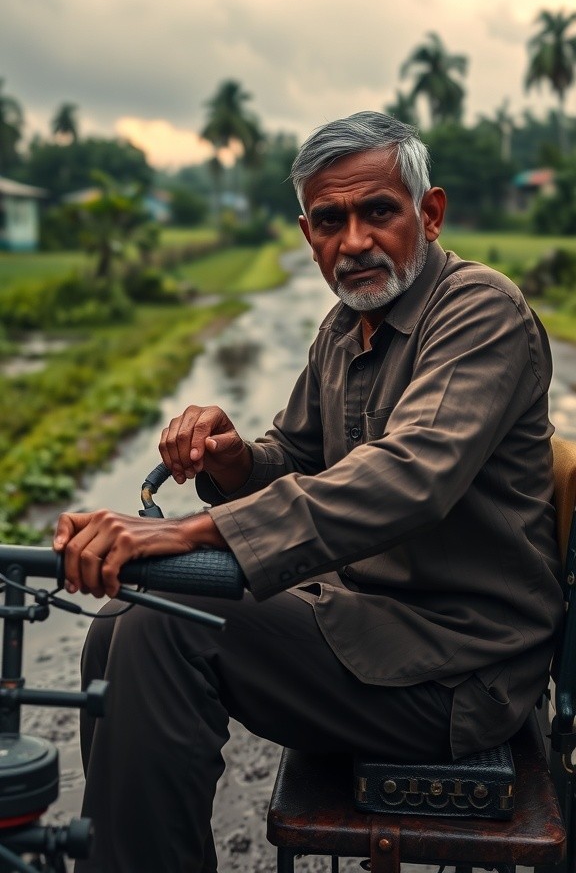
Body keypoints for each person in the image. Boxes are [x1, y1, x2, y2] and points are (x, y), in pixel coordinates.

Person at [54, 111, 564, 873]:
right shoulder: (344, 326)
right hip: (367, 626)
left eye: (378, 212)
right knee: (124, 617)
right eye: (331, 220)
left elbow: (408, 477)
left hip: (458, 666)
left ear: (430, 214)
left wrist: (186, 532)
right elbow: (294, 455)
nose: (353, 241)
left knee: (171, 626)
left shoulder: (480, 310)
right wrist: (231, 461)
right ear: (307, 233)